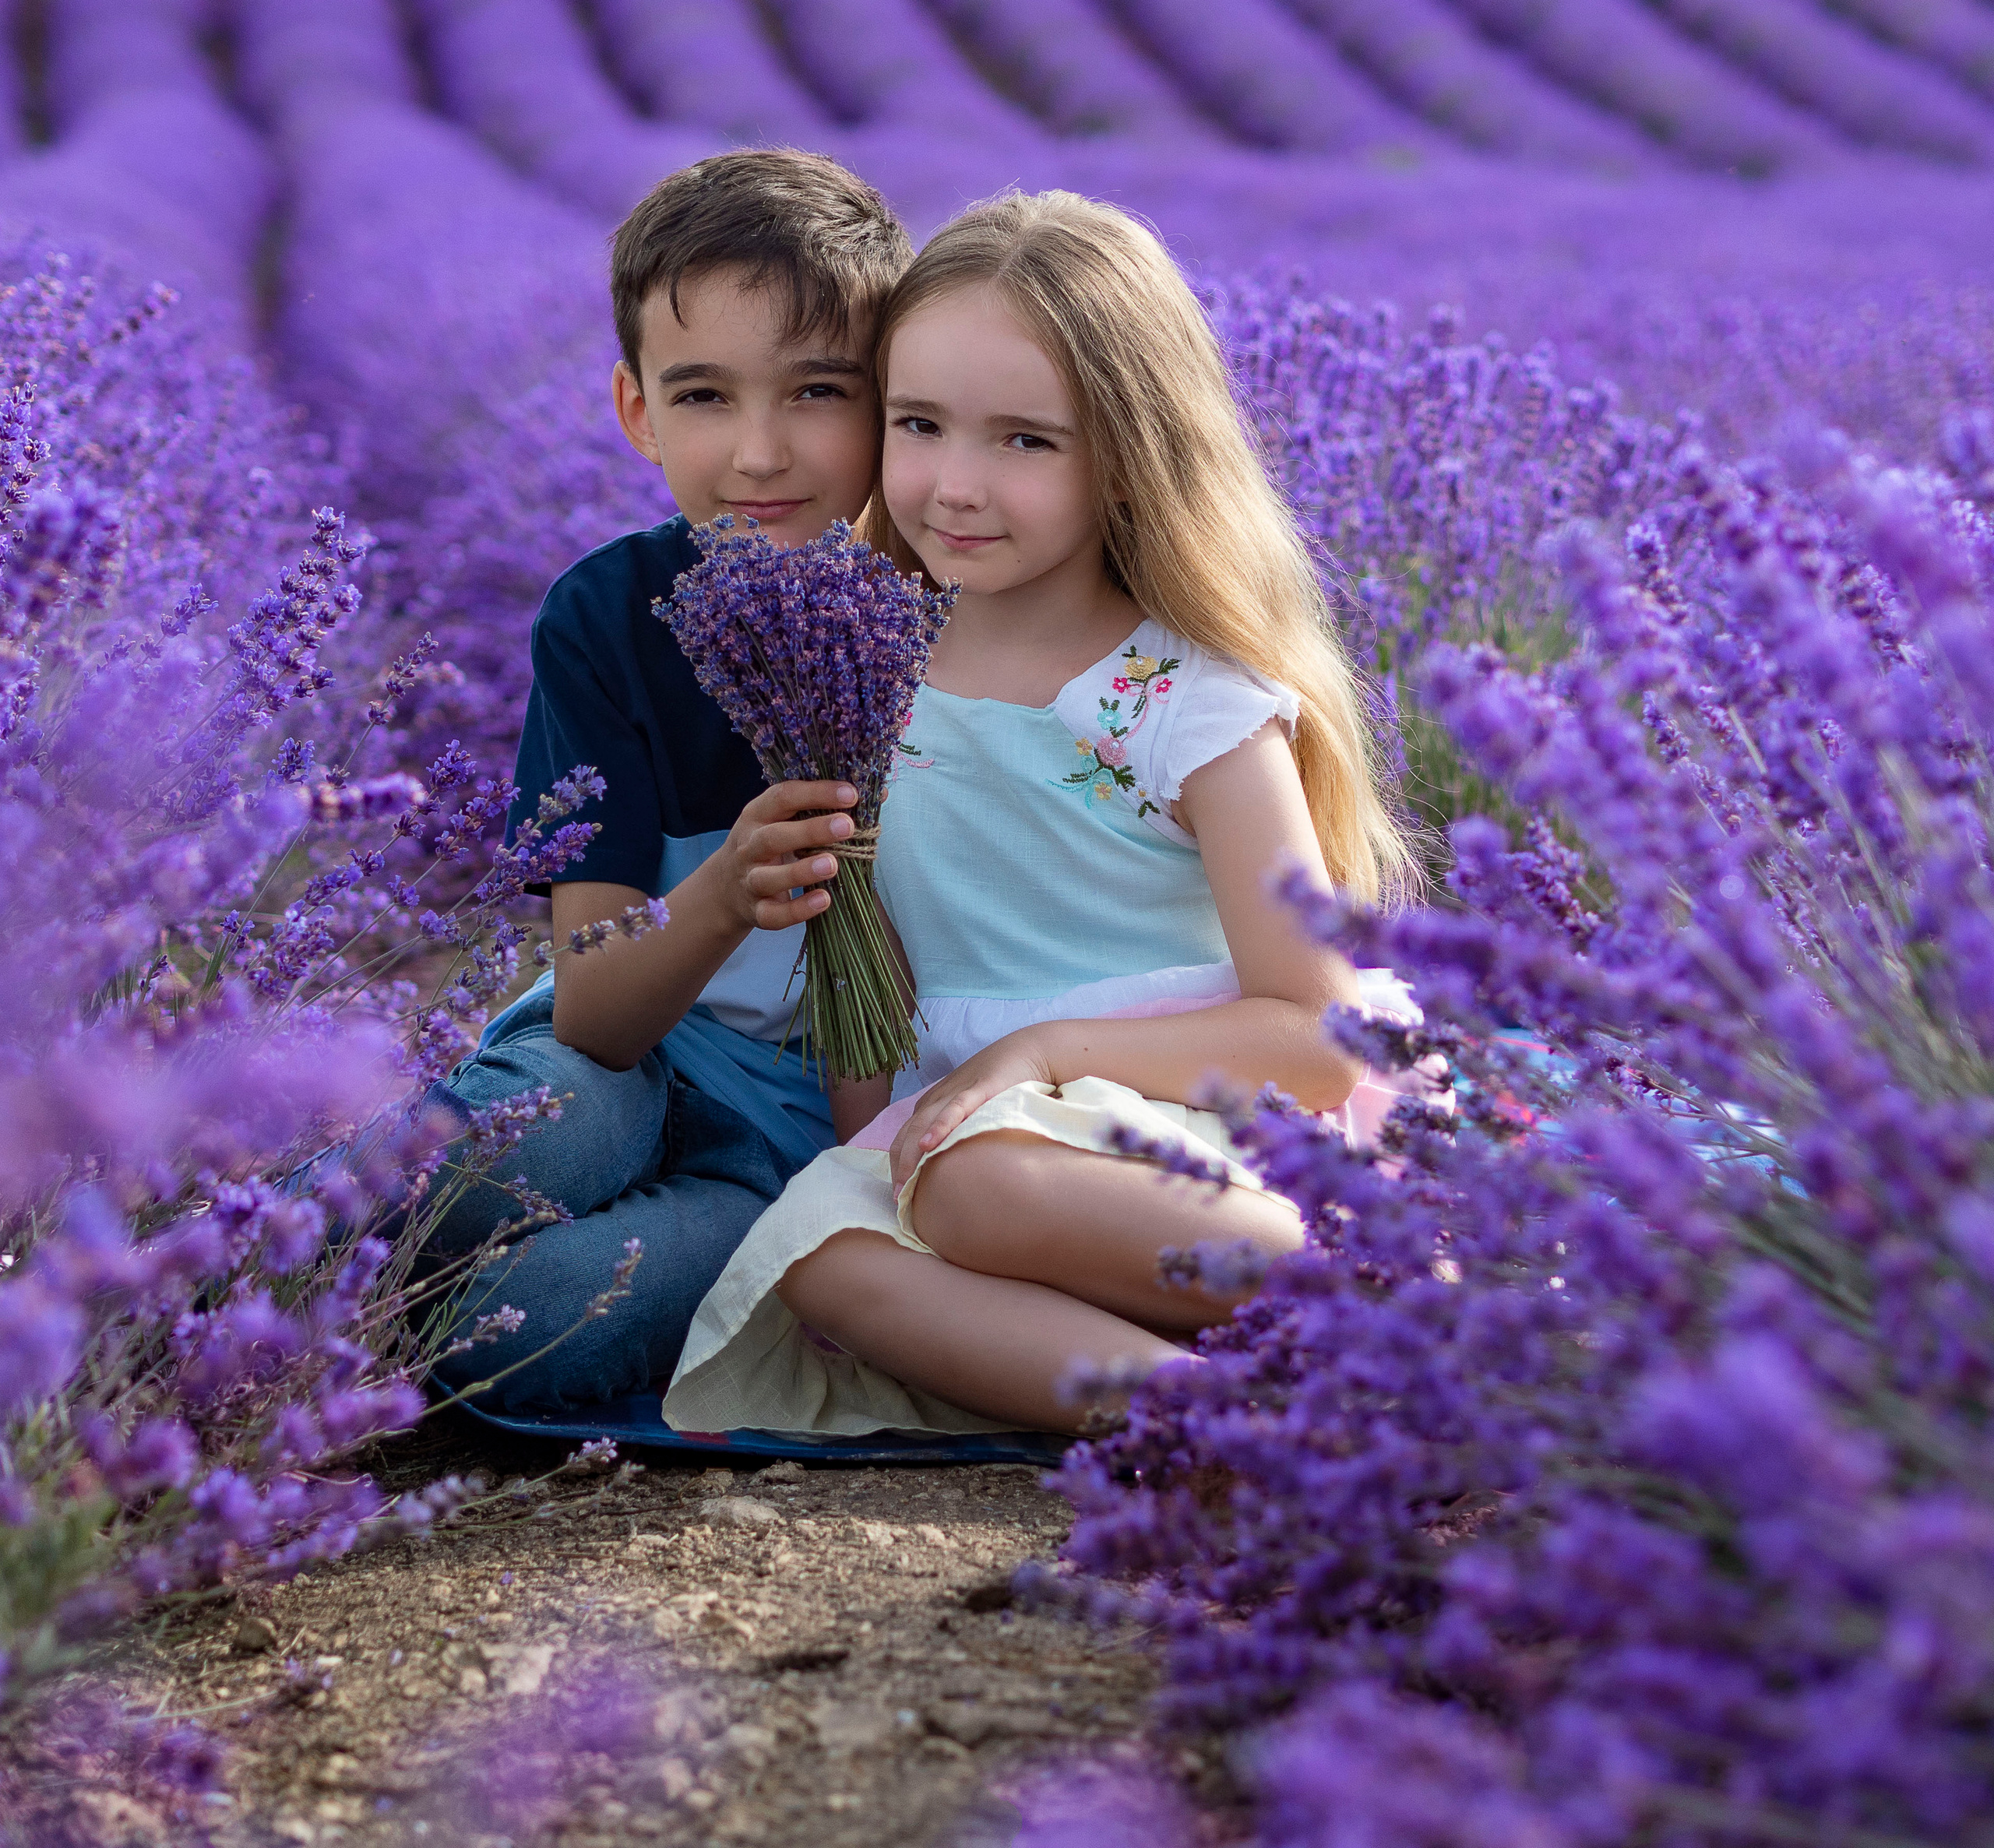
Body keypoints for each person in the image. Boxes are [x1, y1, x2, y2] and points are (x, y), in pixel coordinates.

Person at [663, 189, 1427, 1439]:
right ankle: (1222, 1433)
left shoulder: (1186, 698)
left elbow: (1319, 1031)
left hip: (1205, 1119)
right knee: (819, 1259)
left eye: (1026, 441)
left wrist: (1042, 1056)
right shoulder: (861, 668)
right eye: (919, 425)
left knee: (978, 1196)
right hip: (978, 1128)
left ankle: (1388, 1308)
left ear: (1131, 451)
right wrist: (869, 1152)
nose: (956, 485)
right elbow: (871, 959)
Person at [425, 150, 913, 1413]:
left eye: (819, 391)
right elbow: (594, 1012)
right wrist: (721, 895)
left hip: (793, 1158)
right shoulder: (608, 618)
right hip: (631, 1059)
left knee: (522, 1334)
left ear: (895, 402)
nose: (760, 452)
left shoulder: (950, 616)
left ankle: (309, 1345)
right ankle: (177, 1290)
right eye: (704, 396)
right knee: (508, 1155)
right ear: (638, 413)